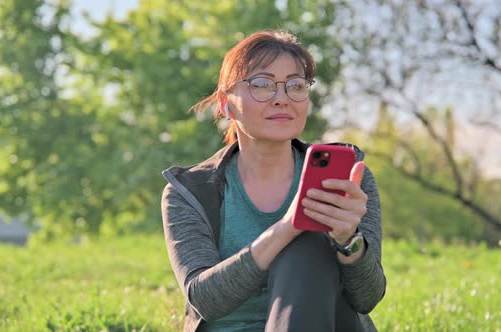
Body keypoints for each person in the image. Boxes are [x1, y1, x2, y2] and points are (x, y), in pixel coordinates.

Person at [161, 29, 386, 332]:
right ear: (226, 104)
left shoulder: (347, 178)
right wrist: (287, 227)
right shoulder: (190, 192)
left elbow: (368, 298)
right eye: (262, 85)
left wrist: (348, 240)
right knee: (304, 236)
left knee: (312, 245)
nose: (282, 99)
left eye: (295, 85)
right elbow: (205, 299)